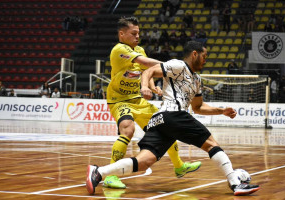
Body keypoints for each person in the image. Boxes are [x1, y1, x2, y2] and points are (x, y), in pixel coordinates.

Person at [86, 41, 260, 196]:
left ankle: (98, 172)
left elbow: (198, 107)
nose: (205, 60)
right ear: (194, 54)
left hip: (161, 121)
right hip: (172, 115)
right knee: (212, 144)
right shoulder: (178, 65)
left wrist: (221, 111)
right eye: (204, 56)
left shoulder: (197, 79)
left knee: (144, 162)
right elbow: (149, 70)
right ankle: (235, 183)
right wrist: (145, 87)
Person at [103, 17, 201, 189]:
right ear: (122, 34)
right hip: (119, 100)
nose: (137, 36)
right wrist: (177, 68)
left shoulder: (139, 48)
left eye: (138, 33)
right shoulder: (119, 50)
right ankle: (110, 175)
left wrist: (152, 86)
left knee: (165, 126)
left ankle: (179, 167)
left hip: (138, 101)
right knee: (128, 129)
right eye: (133, 33)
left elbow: (146, 71)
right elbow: (144, 62)